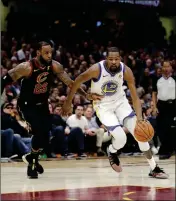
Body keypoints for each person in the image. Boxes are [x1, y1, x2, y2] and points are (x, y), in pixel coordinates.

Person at [62, 47, 168, 179]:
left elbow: (135, 97)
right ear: (106, 59)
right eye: (110, 59)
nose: (113, 62)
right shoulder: (96, 69)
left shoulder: (126, 70)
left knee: (140, 134)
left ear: (120, 59)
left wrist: (140, 118)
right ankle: (111, 151)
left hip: (121, 103)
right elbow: (77, 81)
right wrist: (70, 101)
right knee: (121, 139)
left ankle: (153, 168)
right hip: (103, 106)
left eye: (116, 59)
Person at [1, 41, 102, 179]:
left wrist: (86, 95)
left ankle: (32, 157)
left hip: (42, 103)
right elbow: (3, 81)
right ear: (38, 53)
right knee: (38, 130)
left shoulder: (54, 65)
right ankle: (32, 164)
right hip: (27, 104)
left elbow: (70, 83)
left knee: (46, 134)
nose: (49, 55)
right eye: (46, 53)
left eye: (50, 52)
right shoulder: (26, 67)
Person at [152, 61, 176, 159]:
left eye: (168, 66)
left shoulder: (175, 79)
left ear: (171, 68)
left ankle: (167, 150)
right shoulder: (157, 80)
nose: (166, 68)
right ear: (161, 68)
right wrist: (154, 106)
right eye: (164, 66)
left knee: (169, 128)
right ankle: (164, 148)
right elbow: (154, 93)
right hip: (161, 105)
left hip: (173, 104)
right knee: (160, 129)